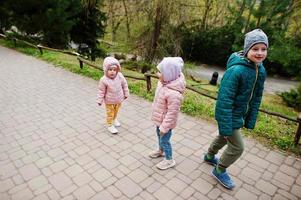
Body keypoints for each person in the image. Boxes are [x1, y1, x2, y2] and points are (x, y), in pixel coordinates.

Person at [203, 29, 269, 189]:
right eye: (255, 49)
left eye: (264, 49)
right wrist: (225, 124)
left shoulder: (260, 70)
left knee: (224, 137)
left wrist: (250, 118)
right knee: (238, 147)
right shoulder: (236, 71)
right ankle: (219, 170)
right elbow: (224, 100)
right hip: (229, 115)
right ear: (247, 50)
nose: (260, 53)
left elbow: (256, 97)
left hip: (239, 114)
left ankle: (209, 155)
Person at [149, 57, 186, 170]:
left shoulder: (174, 94)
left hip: (166, 123)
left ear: (169, 74)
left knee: (165, 140)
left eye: (160, 72)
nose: (157, 74)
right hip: (160, 119)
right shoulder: (164, 83)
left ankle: (169, 159)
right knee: (159, 137)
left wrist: (164, 127)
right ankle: (161, 151)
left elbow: (172, 114)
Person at [97, 57, 129, 134]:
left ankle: (114, 119)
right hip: (109, 101)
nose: (112, 72)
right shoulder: (103, 80)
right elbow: (101, 91)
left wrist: (126, 93)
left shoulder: (120, 76)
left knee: (116, 111)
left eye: (114, 70)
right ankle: (110, 125)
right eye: (110, 69)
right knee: (110, 113)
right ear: (106, 70)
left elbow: (124, 85)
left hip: (118, 99)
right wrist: (99, 100)